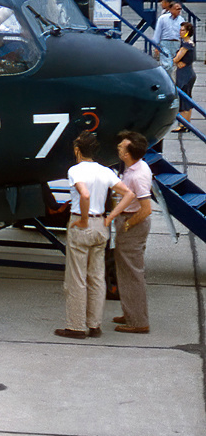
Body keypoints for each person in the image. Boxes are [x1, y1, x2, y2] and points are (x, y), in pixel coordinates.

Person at [57, 132, 135, 339]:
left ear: (77, 150)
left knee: (76, 278)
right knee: (97, 277)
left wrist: (83, 219)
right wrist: (110, 218)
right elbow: (128, 194)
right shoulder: (106, 171)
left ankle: (75, 325)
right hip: (101, 224)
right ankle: (94, 324)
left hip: (82, 225)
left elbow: (84, 194)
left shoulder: (75, 170)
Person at [111, 130, 153, 334]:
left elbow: (146, 209)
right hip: (128, 219)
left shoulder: (137, 176)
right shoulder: (136, 166)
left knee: (131, 273)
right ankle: (131, 312)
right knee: (127, 271)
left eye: (121, 147)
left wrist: (127, 225)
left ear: (128, 153)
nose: (118, 148)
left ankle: (137, 321)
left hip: (132, 222)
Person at [172, 22, 196, 132]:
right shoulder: (187, 44)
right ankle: (186, 123)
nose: (180, 32)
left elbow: (176, 58)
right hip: (186, 72)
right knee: (187, 98)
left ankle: (183, 124)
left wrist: (176, 61)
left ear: (187, 32)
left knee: (183, 98)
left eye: (183, 30)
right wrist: (177, 62)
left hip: (185, 74)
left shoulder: (186, 45)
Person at [154, 0, 183, 74]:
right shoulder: (163, 18)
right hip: (165, 42)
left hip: (176, 43)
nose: (178, 11)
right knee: (167, 64)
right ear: (171, 9)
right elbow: (158, 32)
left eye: (180, 9)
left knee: (173, 65)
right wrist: (156, 45)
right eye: (177, 9)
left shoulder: (181, 19)